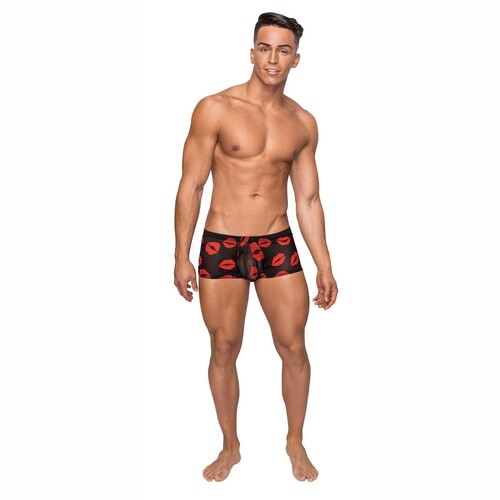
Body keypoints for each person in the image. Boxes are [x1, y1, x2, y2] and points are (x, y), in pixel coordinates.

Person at [174, 12, 338, 482]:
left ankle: (295, 441)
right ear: (252, 52)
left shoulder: (302, 123)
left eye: (283, 50)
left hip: (276, 242)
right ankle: (230, 446)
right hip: (222, 243)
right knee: (224, 347)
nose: (272, 58)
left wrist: (324, 265)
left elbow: (308, 199)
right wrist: (181, 255)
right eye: (264, 48)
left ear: (296, 59)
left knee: (294, 347)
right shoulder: (215, 109)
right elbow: (191, 185)